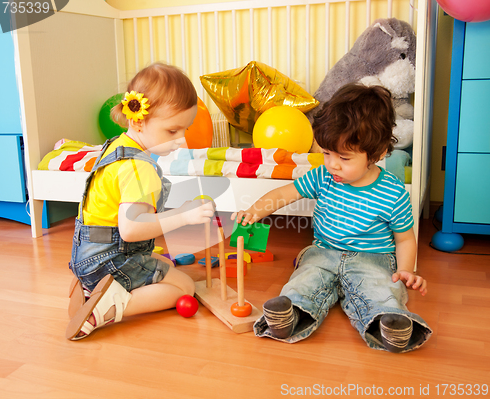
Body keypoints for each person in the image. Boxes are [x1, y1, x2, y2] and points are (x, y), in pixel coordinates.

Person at [233, 83, 432, 353]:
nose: (332, 164)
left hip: (372, 259)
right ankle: (289, 313)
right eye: (326, 153)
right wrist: (254, 211)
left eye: (344, 157)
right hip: (323, 252)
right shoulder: (323, 176)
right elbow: (286, 192)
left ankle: (388, 323)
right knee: (305, 279)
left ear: (377, 153)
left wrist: (406, 271)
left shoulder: (393, 192)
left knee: (380, 289)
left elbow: (405, 239)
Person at [66, 62, 214, 340]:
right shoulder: (140, 167)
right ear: (138, 120)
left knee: (165, 264)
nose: (181, 139)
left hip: (85, 255)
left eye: (185, 129)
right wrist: (183, 216)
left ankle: (91, 287)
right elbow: (132, 229)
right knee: (184, 287)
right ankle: (110, 306)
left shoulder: (115, 145)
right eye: (172, 131)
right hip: (110, 258)